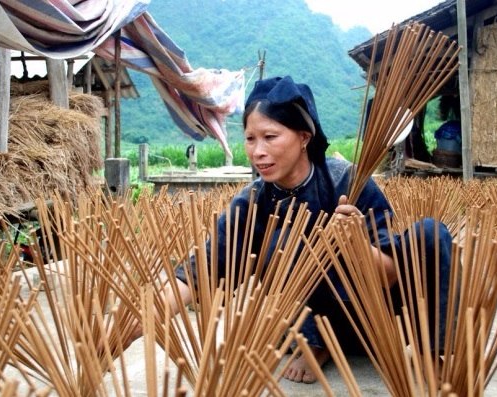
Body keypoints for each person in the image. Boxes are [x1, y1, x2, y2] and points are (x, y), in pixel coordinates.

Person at [154, 76, 453, 384]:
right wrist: (131, 327)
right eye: (250, 139)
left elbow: (390, 276)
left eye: (270, 136)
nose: (257, 151)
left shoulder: (348, 182)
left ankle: (429, 352)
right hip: (309, 321)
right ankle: (316, 341)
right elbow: (198, 272)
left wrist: (356, 246)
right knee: (287, 232)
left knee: (431, 233)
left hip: (377, 319)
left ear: (304, 137)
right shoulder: (253, 201)